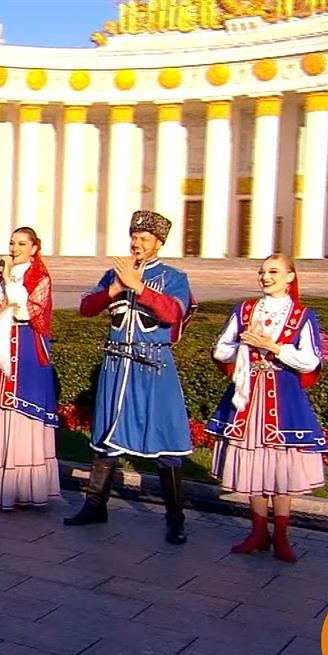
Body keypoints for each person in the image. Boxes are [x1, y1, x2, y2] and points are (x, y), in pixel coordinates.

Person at [65, 210, 196, 544]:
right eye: (134, 237)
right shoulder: (113, 274)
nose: (137, 243)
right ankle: (95, 505)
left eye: (144, 239)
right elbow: (86, 308)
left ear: (159, 243)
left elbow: (173, 314)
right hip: (116, 366)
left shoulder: (173, 277)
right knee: (106, 437)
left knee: (165, 442)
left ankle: (175, 518)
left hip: (152, 368)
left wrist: (139, 287)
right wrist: (112, 290)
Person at [208, 255, 328, 563]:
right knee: (255, 462)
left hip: (283, 397)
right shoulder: (245, 310)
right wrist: (244, 347)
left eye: (273, 271)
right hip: (248, 396)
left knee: (280, 466)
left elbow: (311, 360)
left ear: (290, 277)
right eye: (262, 272)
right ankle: (258, 532)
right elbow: (220, 349)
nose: (265, 277)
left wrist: (274, 348)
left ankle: (282, 535)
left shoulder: (302, 315)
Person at [0, 227, 60, 509]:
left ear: (34, 248)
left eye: (21, 244)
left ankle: (24, 489)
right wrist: (0, 312)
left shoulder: (40, 278)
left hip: (27, 350)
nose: (14, 249)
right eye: (12, 243)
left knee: (22, 412)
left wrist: (8, 281)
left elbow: (27, 311)